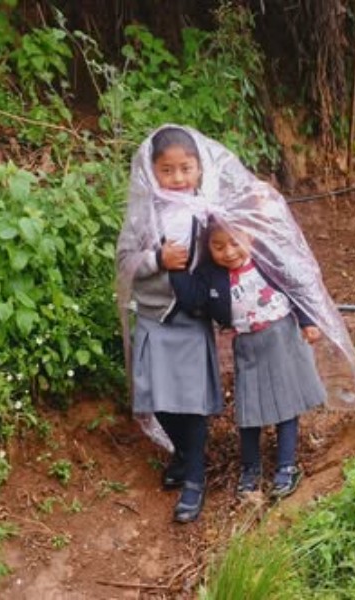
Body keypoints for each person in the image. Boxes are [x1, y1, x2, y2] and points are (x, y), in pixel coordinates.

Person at [170, 220, 327, 498]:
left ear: (251, 238)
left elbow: (293, 289)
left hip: (281, 336)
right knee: (249, 408)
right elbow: (191, 300)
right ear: (207, 247)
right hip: (247, 344)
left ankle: (287, 466)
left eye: (235, 242)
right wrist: (176, 269)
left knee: (286, 402)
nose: (229, 252)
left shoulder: (266, 262)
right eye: (218, 246)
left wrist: (307, 321)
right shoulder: (210, 275)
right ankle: (250, 468)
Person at [116, 126, 223, 524]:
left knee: (191, 401)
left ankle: (194, 477)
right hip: (154, 315)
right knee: (158, 397)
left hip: (191, 317)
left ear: (199, 168)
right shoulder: (144, 215)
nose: (177, 178)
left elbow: (229, 251)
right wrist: (157, 260)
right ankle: (184, 452)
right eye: (167, 170)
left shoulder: (208, 211)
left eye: (185, 168)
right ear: (151, 171)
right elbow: (125, 261)